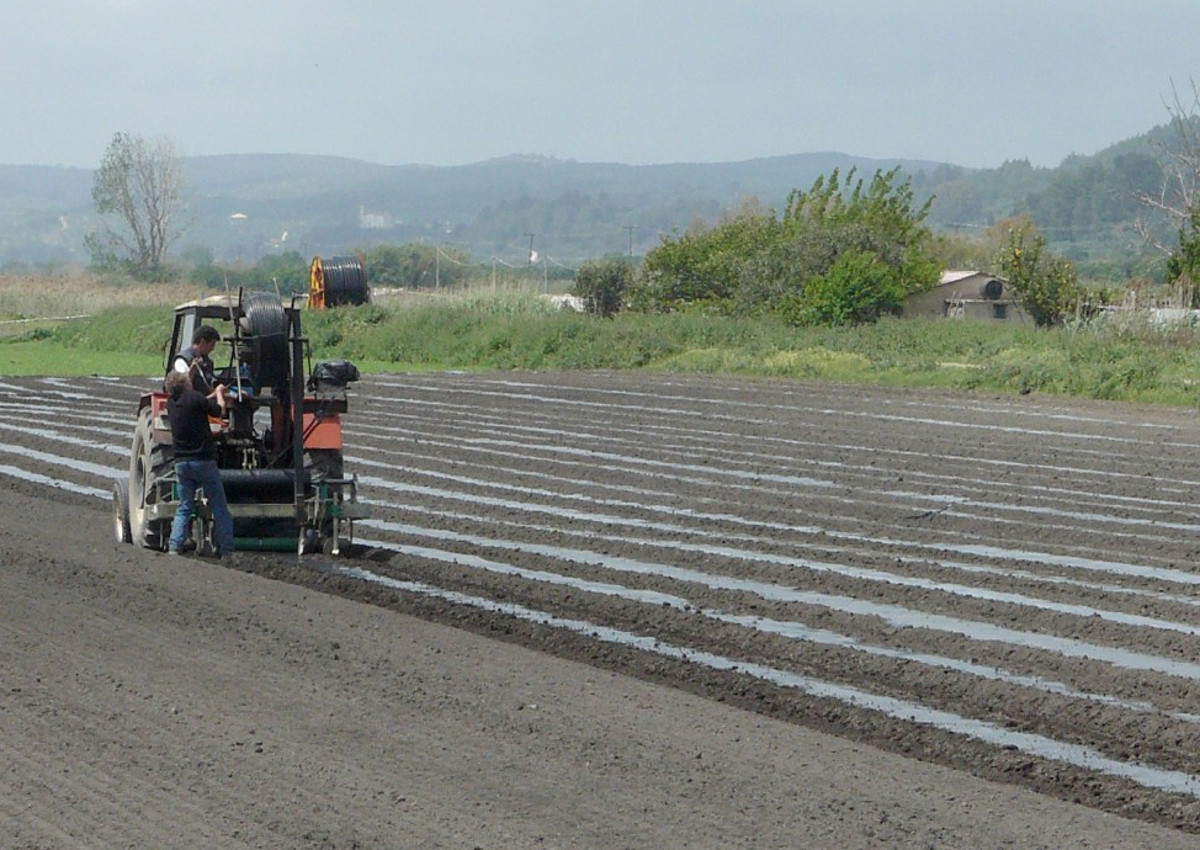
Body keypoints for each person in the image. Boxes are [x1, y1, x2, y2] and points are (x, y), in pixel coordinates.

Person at [164, 369, 235, 558]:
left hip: (181, 463)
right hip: (203, 461)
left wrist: (209, 396)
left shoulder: (170, 404)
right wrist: (219, 393)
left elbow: (199, 402)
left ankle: (174, 546)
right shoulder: (195, 398)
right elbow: (218, 411)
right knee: (219, 505)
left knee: (184, 506)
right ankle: (226, 549)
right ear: (186, 384)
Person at [171, 325, 222, 395]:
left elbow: (209, 385)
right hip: (191, 403)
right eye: (211, 345)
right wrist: (193, 369)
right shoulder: (182, 360)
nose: (213, 349)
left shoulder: (207, 362)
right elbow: (183, 386)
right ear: (202, 342)